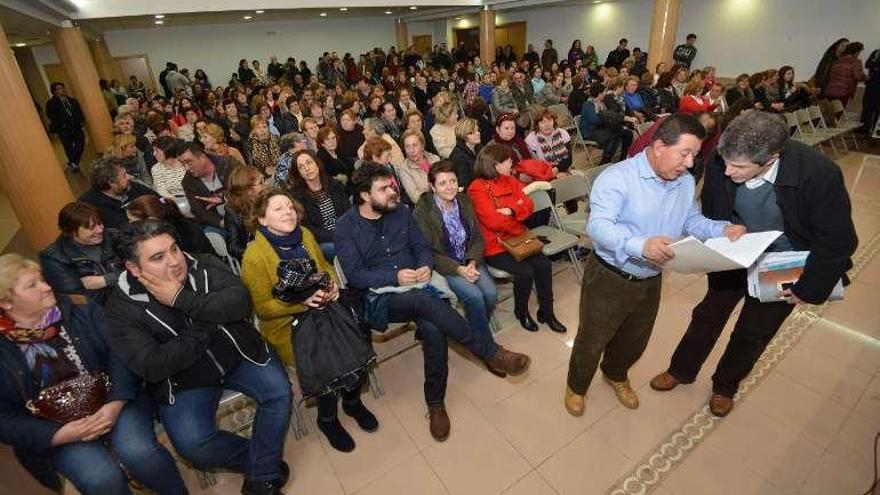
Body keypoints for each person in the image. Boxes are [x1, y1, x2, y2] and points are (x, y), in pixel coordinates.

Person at [650, 111, 858, 417]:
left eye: (740, 167)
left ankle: (725, 386)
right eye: (725, 161)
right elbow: (713, 209)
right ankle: (681, 370)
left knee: (753, 331)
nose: (728, 170)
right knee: (707, 316)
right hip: (734, 252)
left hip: (782, 261)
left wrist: (808, 288)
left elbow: (838, 241)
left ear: (772, 157)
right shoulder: (725, 158)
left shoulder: (818, 173)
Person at [335, 162, 531, 441]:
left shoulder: (401, 212)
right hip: (380, 297)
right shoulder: (346, 227)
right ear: (365, 196)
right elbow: (354, 275)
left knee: (433, 327)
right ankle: (489, 352)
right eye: (383, 189)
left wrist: (425, 265)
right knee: (424, 301)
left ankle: (435, 403)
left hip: (418, 284)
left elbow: (421, 247)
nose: (392, 191)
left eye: (391, 185)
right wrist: (394, 275)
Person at [564, 114, 745, 417]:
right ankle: (577, 386)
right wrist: (641, 244)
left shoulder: (684, 181)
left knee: (635, 336)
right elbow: (598, 227)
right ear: (659, 146)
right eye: (684, 153)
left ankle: (616, 374)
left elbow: (691, 219)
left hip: (652, 276)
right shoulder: (617, 178)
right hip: (610, 276)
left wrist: (720, 229)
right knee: (592, 338)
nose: (689, 163)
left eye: (695, 155)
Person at [103, 220, 292, 495]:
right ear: (133, 268)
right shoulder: (120, 309)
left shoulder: (202, 263)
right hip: (185, 381)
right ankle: (263, 461)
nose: (174, 261)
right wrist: (209, 321)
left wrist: (181, 298)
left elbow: (239, 302)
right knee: (193, 444)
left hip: (238, 353)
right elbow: (154, 365)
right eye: (158, 257)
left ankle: (261, 474)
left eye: (174, 249)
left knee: (278, 391)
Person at [0, 254, 187, 494]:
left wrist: (115, 404)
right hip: (55, 429)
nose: (47, 287)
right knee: (101, 479)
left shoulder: (80, 307)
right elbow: (4, 419)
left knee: (142, 454)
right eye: (31, 285)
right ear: (6, 302)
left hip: (114, 401)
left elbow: (120, 354)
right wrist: (57, 435)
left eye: (42, 280)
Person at [240, 188, 376, 452]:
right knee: (324, 353)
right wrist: (298, 303)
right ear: (262, 219)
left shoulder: (304, 235)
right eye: (278, 209)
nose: (288, 212)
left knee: (357, 333)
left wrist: (333, 285)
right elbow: (263, 308)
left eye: (290, 207)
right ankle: (327, 418)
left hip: (325, 308)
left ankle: (351, 401)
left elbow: (324, 268)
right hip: (288, 324)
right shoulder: (254, 257)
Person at [467, 143, 566, 333]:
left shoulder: (509, 179)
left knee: (543, 264)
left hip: (518, 237)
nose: (512, 163)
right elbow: (493, 221)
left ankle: (547, 312)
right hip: (495, 245)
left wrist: (511, 211)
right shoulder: (477, 188)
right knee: (525, 272)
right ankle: (521, 312)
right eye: (507, 160)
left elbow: (528, 205)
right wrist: (516, 213)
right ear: (496, 164)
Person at [414, 161, 497, 336]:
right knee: (475, 298)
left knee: (490, 294)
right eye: (442, 183)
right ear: (432, 187)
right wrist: (459, 269)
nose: (450, 187)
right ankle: (485, 343)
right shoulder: (423, 211)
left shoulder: (464, 201)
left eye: (452, 181)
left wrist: (471, 262)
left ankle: (475, 329)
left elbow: (478, 238)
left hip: (469, 260)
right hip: (447, 265)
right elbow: (429, 251)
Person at [39, 202, 122, 305]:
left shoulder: (113, 236)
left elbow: (141, 269)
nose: (100, 230)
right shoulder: (54, 258)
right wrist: (122, 280)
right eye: (91, 228)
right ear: (72, 231)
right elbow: (80, 300)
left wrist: (105, 280)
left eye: (100, 223)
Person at [285, 150, 351, 262]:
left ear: (317, 163)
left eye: (309, 162)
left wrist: (347, 231)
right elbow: (310, 230)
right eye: (301, 167)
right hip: (324, 241)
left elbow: (349, 212)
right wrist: (338, 235)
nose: (307, 168)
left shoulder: (335, 185)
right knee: (345, 249)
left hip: (345, 231)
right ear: (299, 173)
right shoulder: (297, 196)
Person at [79, 157, 157, 230]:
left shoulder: (131, 186)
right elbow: (124, 230)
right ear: (111, 183)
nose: (130, 177)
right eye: (124, 175)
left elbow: (161, 200)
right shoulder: (90, 206)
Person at [125, 195, 215, 256]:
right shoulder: (169, 227)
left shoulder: (185, 235)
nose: (129, 224)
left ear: (150, 221)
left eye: (132, 221)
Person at [178, 140, 238, 231]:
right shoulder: (187, 182)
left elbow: (245, 189)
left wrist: (224, 198)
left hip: (242, 212)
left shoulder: (228, 164)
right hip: (218, 222)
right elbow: (199, 212)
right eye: (183, 165)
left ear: (202, 156)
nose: (186, 168)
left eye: (189, 162)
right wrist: (222, 223)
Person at [580, 83, 628, 163]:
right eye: (604, 92)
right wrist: (605, 116)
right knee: (612, 135)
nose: (605, 94)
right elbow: (594, 120)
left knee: (618, 132)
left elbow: (609, 115)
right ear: (599, 94)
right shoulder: (588, 105)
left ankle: (608, 157)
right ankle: (605, 159)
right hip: (589, 131)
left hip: (599, 129)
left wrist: (606, 116)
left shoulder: (602, 104)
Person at [225, 165, 265, 261]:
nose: (265, 184)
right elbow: (233, 247)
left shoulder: (270, 199)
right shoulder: (232, 211)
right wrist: (254, 255)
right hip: (255, 259)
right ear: (249, 190)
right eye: (261, 182)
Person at [45, 82, 86, 172]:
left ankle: (74, 162)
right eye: (59, 88)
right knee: (68, 147)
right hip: (63, 128)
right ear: (54, 91)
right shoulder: (51, 103)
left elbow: (79, 111)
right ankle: (74, 163)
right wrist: (61, 123)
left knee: (81, 144)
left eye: (63, 88)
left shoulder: (72, 100)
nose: (62, 90)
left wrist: (82, 121)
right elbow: (50, 115)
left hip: (76, 126)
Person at [524, 109, 572, 175]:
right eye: (543, 122)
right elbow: (535, 165)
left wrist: (557, 170)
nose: (547, 125)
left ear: (553, 122)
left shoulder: (563, 133)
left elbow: (568, 160)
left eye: (550, 121)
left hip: (564, 170)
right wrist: (552, 175)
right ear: (537, 125)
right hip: (543, 174)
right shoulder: (531, 139)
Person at [823, 42, 868, 107]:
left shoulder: (838, 60)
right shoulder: (855, 62)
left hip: (830, 90)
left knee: (829, 112)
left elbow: (830, 74)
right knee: (838, 113)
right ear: (857, 52)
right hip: (843, 92)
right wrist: (868, 78)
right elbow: (858, 76)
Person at [448, 116, 483, 188]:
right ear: (464, 136)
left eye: (478, 130)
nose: (478, 133)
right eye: (472, 132)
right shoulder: (458, 156)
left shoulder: (479, 147)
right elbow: (464, 184)